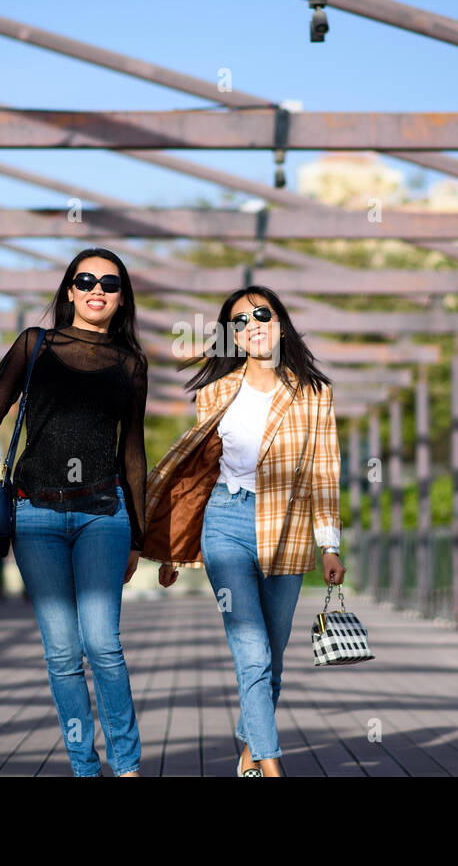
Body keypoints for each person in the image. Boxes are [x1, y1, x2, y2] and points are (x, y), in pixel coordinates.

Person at [0, 249, 148, 778]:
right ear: (69, 291)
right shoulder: (35, 346)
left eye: (109, 283)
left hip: (103, 514)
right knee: (62, 652)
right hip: (36, 516)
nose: (97, 289)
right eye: (86, 280)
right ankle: (85, 769)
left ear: (122, 298)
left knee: (102, 644)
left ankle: (127, 767)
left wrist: (138, 537)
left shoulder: (131, 364)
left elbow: (134, 452)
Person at [142, 285, 345, 778]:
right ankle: (271, 769)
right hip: (226, 524)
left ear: (280, 324)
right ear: (232, 336)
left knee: (272, 658)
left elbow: (325, 473)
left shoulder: (315, 394)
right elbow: (198, 473)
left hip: (288, 533)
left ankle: (250, 753)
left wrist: (330, 545)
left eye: (262, 315)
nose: (253, 325)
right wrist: (173, 548)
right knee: (251, 651)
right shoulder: (215, 392)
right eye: (240, 321)